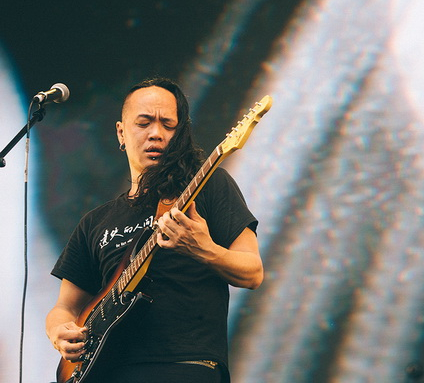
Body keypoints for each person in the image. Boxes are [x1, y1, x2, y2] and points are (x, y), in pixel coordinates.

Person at [45, 77, 264, 383]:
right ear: (121, 132)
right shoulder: (94, 222)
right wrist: (59, 331)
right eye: (144, 123)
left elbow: (252, 272)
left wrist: (205, 249)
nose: (156, 134)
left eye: (168, 125)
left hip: (184, 367)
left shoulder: (208, 186)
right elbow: (65, 307)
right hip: (105, 372)